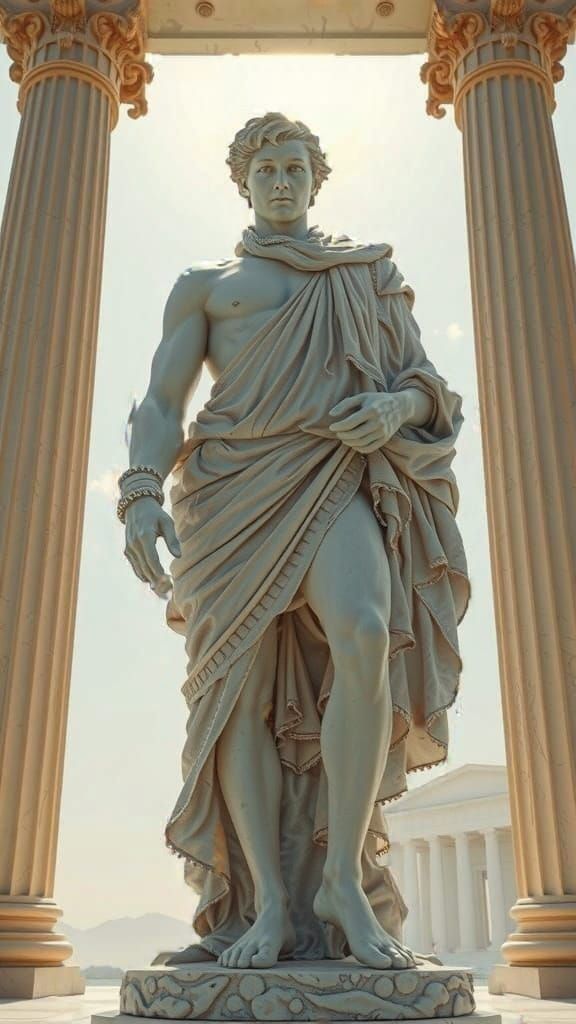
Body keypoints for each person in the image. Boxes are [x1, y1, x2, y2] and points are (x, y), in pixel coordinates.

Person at [119, 113, 470, 972]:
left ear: (317, 179)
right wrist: (140, 490)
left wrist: (394, 407)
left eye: (295, 167)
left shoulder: (364, 272)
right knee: (235, 690)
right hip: (229, 491)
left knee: (365, 633)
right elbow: (162, 401)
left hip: (331, 467)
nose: (282, 180)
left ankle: (342, 880)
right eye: (267, 168)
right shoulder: (205, 285)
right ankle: (268, 904)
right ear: (244, 182)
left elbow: (426, 385)